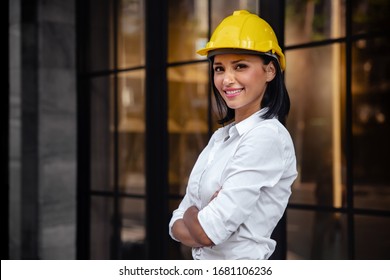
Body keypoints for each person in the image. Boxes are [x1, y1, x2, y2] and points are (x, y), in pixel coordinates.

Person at [168, 10, 298, 260]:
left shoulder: (266, 137)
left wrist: (193, 213)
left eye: (240, 66)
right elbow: (174, 225)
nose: (227, 79)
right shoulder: (221, 138)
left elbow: (207, 233)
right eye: (219, 69)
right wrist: (195, 215)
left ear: (270, 71)